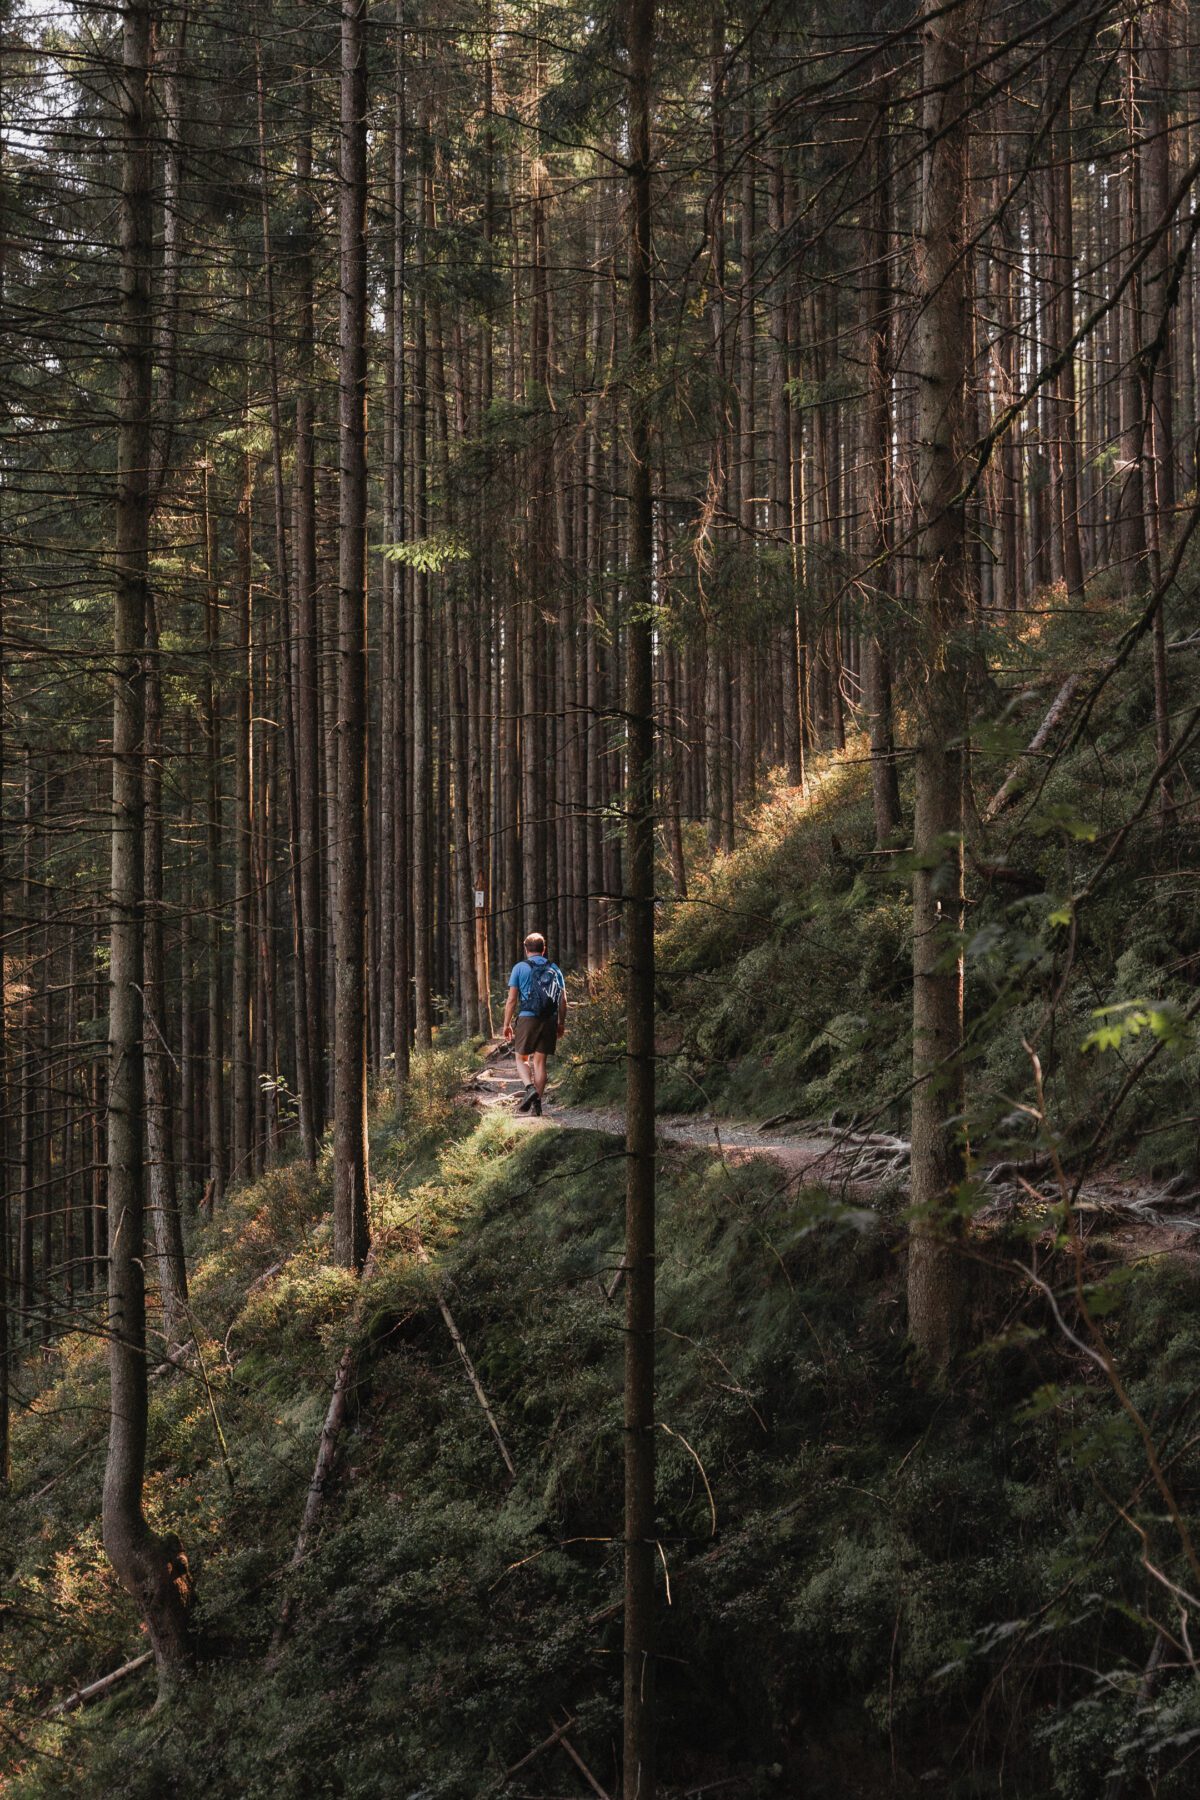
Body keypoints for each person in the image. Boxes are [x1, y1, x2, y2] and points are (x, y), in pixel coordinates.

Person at [501, 931, 566, 1116]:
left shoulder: (519, 968)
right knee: (540, 1063)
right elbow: (563, 1000)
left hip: (528, 1017)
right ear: (543, 949)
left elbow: (512, 999)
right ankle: (537, 1104)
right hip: (549, 1018)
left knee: (521, 1058)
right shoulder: (554, 968)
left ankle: (530, 1089)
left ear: (525, 948)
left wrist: (507, 1024)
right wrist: (561, 1023)